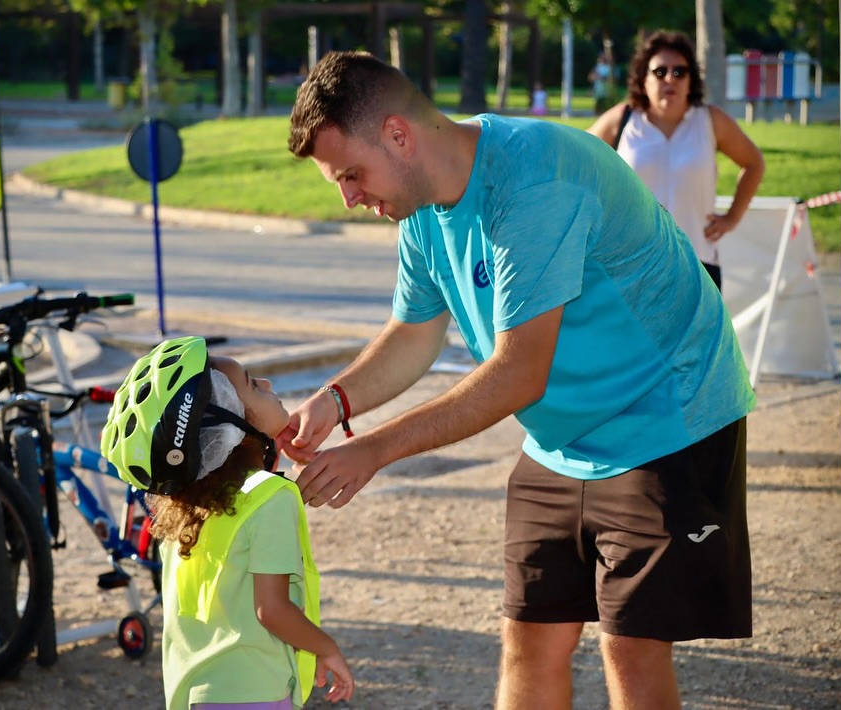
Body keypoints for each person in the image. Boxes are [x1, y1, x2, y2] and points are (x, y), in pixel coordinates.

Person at [283, 50, 755, 709]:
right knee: (528, 641)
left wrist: (374, 448)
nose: (350, 197)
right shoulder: (418, 205)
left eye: (352, 175)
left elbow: (518, 375)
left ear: (398, 134)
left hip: (665, 412)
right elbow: (415, 333)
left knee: (629, 648)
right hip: (562, 437)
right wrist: (336, 402)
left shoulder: (531, 181)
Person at [101, 336, 354, 710]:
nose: (267, 385)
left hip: (194, 693)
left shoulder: (185, 507)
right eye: (252, 385)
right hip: (254, 695)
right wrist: (325, 647)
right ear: (229, 427)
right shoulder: (270, 498)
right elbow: (272, 611)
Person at [588, 30, 765, 292]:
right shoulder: (622, 121)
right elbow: (577, 165)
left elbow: (754, 163)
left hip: (697, 265)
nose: (670, 78)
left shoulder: (710, 120)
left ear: (691, 79)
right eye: (660, 72)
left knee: (700, 335)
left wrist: (732, 218)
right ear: (643, 79)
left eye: (679, 71)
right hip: (631, 266)